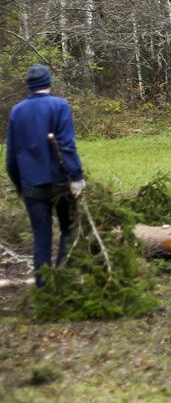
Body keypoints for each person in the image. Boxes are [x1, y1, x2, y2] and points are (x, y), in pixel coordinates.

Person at [5, 64, 85, 287]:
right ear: (49, 82)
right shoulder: (59, 106)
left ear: (29, 86)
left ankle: (43, 289)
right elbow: (67, 146)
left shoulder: (17, 111)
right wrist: (77, 176)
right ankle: (60, 281)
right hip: (60, 183)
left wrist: (20, 186)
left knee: (41, 236)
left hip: (32, 185)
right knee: (68, 231)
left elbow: (11, 158)